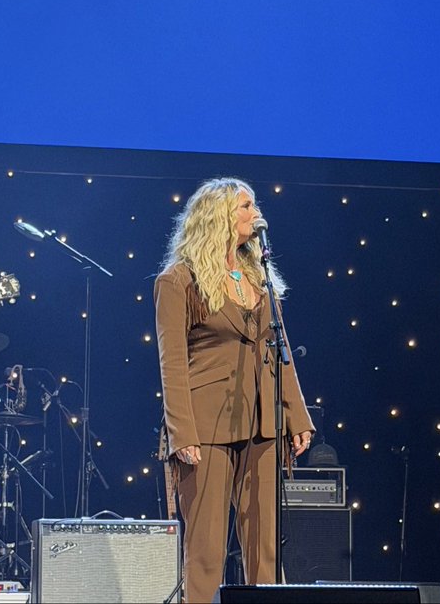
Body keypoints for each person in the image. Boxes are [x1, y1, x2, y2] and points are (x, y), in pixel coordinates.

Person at [154, 177, 315, 603]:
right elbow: (171, 363)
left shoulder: (257, 275)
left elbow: (278, 348)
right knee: (206, 550)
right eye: (245, 206)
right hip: (205, 428)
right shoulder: (178, 280)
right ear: (218, 216)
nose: (254, 214)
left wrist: (296, 416)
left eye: (254, 205)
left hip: (263, 422)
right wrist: (180, 433)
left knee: (264, 549)